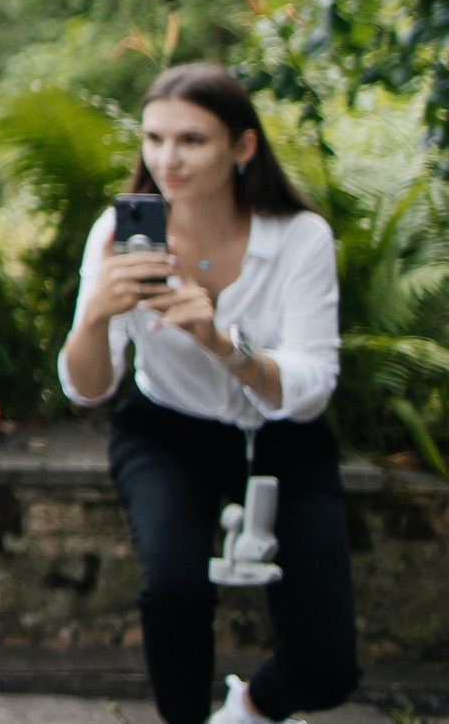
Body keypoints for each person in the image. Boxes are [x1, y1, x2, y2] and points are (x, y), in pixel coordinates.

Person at [60, 64, 358, 724]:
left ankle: (247, 709)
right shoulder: (116, 236)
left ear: (243, 146)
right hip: (167, 432)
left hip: (287, 440)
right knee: (174, 591)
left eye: (192, 139)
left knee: (327, 666)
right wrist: (96, 316)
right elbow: (89, 387)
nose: (168, 158)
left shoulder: (300, 238)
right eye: (155, 138)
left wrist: (221, 341)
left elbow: (310, 390)